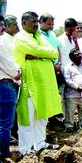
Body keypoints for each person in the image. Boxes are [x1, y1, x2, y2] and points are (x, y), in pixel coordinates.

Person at [13, 11, 60, 155]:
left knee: (42, 116)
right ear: (23, 24)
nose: (35, 24)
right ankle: (25, 150)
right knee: (28, 118)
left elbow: (54, 52)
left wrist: (38, 55)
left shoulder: (39, 36)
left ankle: (40, 144)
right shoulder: (20, 37)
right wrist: (44, 55)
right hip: (30, 83)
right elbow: (36, 49)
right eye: (32, 21)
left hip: (44, 83)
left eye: (36, 21)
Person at [0, 13, 21, 163]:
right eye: (0, 25)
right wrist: (17, 72)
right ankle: (3, 157)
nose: (2, 28)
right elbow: (10, 66)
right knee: (4, 124)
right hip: (3, 85)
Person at [64, 48, 82, 131]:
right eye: (77, 54)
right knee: (70, 111)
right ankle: (69, 126)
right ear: (71, 57)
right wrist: (77, 87)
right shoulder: (68, 67)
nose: (80, 56)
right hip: (72, 94)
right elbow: (67, 80)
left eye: (80, 54)